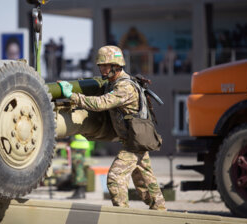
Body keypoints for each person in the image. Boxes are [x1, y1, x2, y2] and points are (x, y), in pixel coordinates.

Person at [58, 45, 166, 210]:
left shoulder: (125, 87)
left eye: (105, 65)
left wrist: (72, 96)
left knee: (115, 179)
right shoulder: (113, 83)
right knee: (146, 185)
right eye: (100, 65)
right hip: (132, 140)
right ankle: (161, 214)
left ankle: (121, 217)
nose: (101, 69)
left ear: (116, 65)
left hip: (134, 143)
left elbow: (102, 103)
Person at [68, 134, 90, 199]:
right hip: (81, 146)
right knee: (79, 167)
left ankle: (80, 191)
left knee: (78, 168)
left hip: (77, 146)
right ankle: (80, 192)